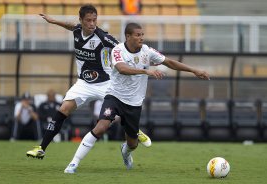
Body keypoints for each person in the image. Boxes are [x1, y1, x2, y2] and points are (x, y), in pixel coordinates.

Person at [63, 22, 210, 173]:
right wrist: (146, 71)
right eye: (138, 35)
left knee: (133, 143)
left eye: (142, 35)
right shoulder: (118, 50)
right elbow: (122, 69)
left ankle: (125, 151)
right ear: (128, 36)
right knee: (101, 127)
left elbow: (169, 62)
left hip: (134, 103)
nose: (141, 38)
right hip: (114, 96)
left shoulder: (147, 51)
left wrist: (194, 70)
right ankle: (74, 163)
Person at [26, 4, 151, 159]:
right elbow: (71, 26)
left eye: (94, 20)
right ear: (81, 20)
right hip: (84, 84)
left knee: (119, 112)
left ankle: (135, 131)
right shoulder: (77, 31)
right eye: (88, 20)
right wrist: (53, 21)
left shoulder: (103, 38)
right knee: (63, 109)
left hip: (106, 84)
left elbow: (122, 48)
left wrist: (137, 62)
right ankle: (41, 148)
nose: (92, 24)